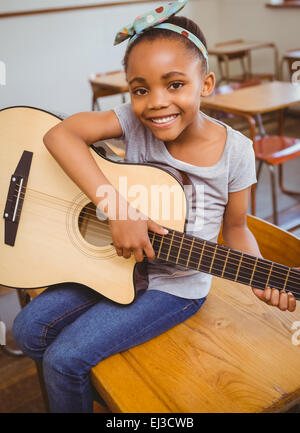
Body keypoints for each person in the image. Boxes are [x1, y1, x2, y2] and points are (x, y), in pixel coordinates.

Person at [13, 0, 297, 413]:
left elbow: (236, 229)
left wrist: (260, 278)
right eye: (141, 89)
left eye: (175, 84)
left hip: (175, 286)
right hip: (117, 260)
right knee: (26, 330)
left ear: (206, 84)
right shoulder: (133, 120)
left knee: (63, 361)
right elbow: (59, 135)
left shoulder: (237, 151)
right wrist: (116, 207)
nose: (156, 102)